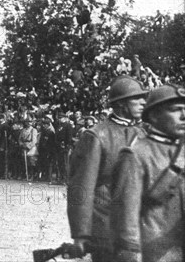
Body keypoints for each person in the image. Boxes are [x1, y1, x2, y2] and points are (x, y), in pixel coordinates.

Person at [67, 75, 148, 261]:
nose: (144, 102)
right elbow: (81, 187)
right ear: (120, 104)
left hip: (137, 227)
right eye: (137, 98)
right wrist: (80, 234)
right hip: (106, 227)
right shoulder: (96, 136)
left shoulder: (143, 133)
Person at [111, 84, 185, 262]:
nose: (184, 116)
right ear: (154, 115)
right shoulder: (135, 154)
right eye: (175, 110)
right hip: (156, 253)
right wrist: (130, 254)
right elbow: (126, 214)